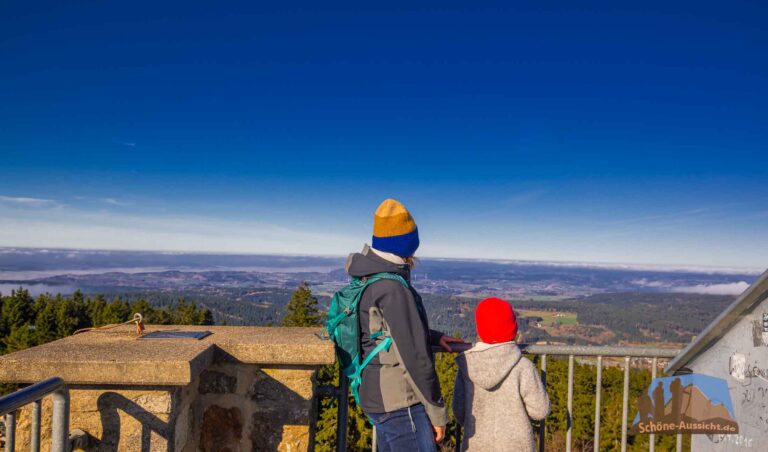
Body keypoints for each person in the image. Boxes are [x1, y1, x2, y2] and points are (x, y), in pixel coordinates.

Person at [346, 198, 463, 451]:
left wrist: (433, 336)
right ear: (408, 242)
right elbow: (416, 358)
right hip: (400, 401)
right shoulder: (392, 288)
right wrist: (437, 412)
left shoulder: (369, 278)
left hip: (376, 395)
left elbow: (385, 331)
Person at [453, 297, 550, 451]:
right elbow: (540, 410)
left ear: (480, 328)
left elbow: (459, 411)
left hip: (476, 445)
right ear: (512, 328)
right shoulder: (524, 367)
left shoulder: (467, 367)